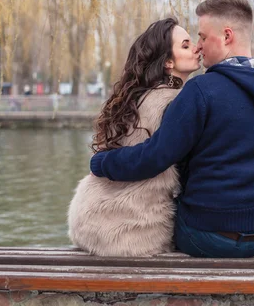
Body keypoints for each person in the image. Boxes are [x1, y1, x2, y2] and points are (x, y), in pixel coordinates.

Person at [90, 0, 254, 258]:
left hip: (210, 237)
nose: (199, 46)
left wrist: (102, 163)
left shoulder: (201, 90)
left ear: (226, 36)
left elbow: (155, 156)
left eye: (202, 37)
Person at [68, 17, 201, 257]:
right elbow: (157, 159)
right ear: (168, 62)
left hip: (89, 219)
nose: (196, 48)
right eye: (185, 45)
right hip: (135, 230)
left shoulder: (135, 98)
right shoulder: (176, 102)